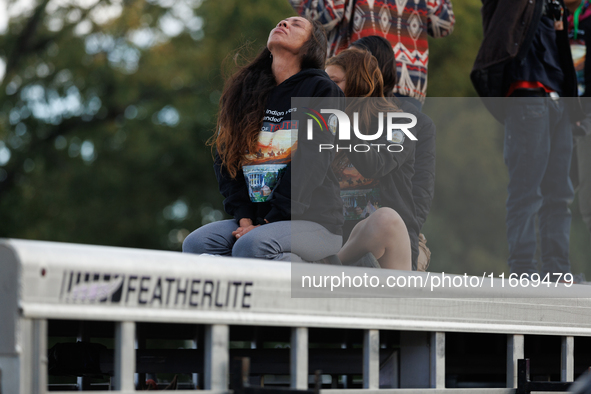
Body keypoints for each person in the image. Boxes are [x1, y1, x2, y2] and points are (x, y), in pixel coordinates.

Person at [182, 17, 344, 262]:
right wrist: (245, 217)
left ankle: (315, 278)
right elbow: (225, 161)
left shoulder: (323, 90)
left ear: (311, 46)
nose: (284, 23)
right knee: (196, 244)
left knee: (253, 245)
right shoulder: (244, 93)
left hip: (316, 222)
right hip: (256, 221)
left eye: (296, 25)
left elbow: (313, 162)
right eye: (282, 22)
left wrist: (270, 221)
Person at [471, 0, 583, 278]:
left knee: (559, 195)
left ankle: (558, 272)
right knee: (526, 192)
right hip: (526, 98)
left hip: (558, 101)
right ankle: (523, 270)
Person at [326, 48, 418, 270]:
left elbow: (375, 165)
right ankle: (332, 262)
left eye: (334, 82)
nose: (325, 90)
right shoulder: (322, 125)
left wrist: (341, 124)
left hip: (388, 251)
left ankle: (330, 264)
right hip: (334, 238)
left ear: (359, 84)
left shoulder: (399, 123)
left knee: (386, 220)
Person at [351, 35, 436, 271]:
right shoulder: (335, 112)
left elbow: (421, 194)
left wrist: (404, 235)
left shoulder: (411, 120)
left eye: (353, 65)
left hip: (393, 232)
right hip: (340, 230)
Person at [289, 0, 455, 109]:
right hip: (353, 81)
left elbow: (444, 23)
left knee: (393, 158)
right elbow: (322, 17)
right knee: (339, 156)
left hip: (398, 82)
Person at [566, 0, 591, 245]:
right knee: (557, 191)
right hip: (571, 111)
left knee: (588, 202)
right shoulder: (569, 15)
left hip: (585, 112)